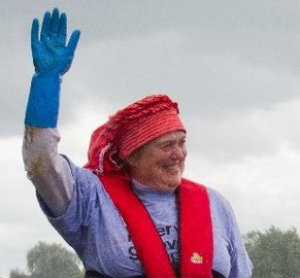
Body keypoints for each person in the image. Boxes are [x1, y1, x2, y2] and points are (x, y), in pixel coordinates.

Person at [23, 8, 253, 278]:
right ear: (131, 156)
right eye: (166, 146)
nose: (178, 154)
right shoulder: (92, 199)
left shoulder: (216, 205)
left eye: (182, 142)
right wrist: (46, 83)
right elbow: (41, 164)